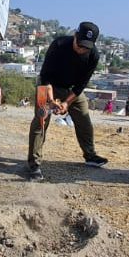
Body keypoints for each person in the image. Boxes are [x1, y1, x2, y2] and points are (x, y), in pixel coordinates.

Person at [27, 21, 108, 181]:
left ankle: (90, 155)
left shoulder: (93, 55)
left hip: (71, 89)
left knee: (84, 118)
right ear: (75, 36)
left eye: (86, 46)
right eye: (79, 44)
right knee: (41, 120)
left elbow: (81, 85)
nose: (81, 49)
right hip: (48, 85)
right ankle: (34, 164)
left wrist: (66, 103)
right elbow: (45, 76)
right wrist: (51, 101)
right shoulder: (59, 45)